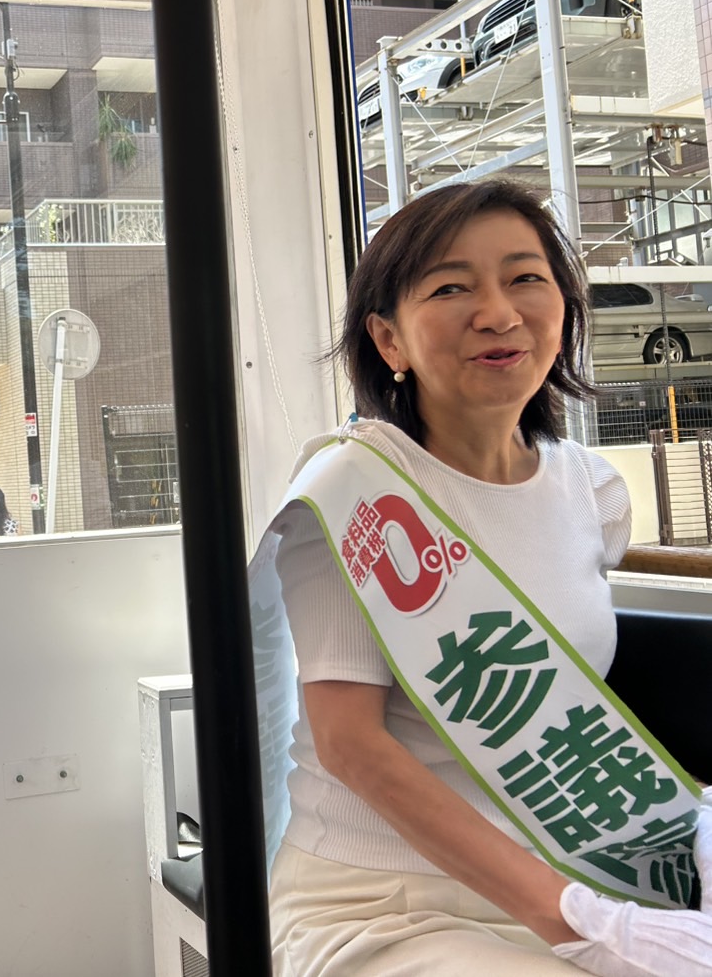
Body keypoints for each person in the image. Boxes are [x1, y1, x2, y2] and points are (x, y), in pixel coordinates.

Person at [262, 178, 712, 977]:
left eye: (524, 278)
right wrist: (580, 922)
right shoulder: (351, 494)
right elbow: (350, 746)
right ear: (388, 339)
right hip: (381, 906)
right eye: (449, 288)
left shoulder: (592, 491)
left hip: (568, 873)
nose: (498, 313)